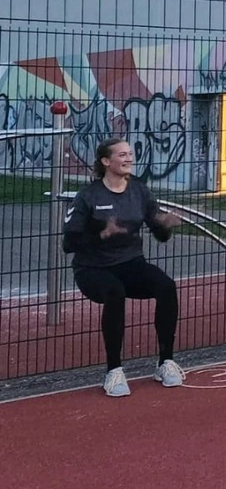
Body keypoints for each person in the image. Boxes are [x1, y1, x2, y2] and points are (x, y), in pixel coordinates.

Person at [62, 138, 185, 397]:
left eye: (130, 153)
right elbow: (69, 242)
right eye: (122, 155)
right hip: (92, 269)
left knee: (166, 286)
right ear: (106, 161)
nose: (129, 158)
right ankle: (114, 370)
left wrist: (165, 225)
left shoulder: (139, 191)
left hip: (131, 263)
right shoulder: (88, 196)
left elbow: (159, 234)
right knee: (114, 292)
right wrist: (101, 235)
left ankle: (166, 362)